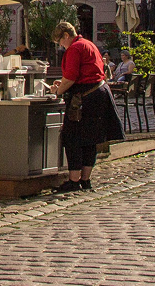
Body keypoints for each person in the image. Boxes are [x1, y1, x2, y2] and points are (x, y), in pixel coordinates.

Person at [48, 22, 123, 193]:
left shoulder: (75, 48)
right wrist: (64, 82)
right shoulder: (89, 44)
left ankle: (74, 181)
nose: (61, 45)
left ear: (66, 35)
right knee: (91, 139)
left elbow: (71, 78)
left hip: (86, 97)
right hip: (99, 92)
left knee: (72, 137)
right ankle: (85, 180)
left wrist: (57, 90)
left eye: (60, 41)